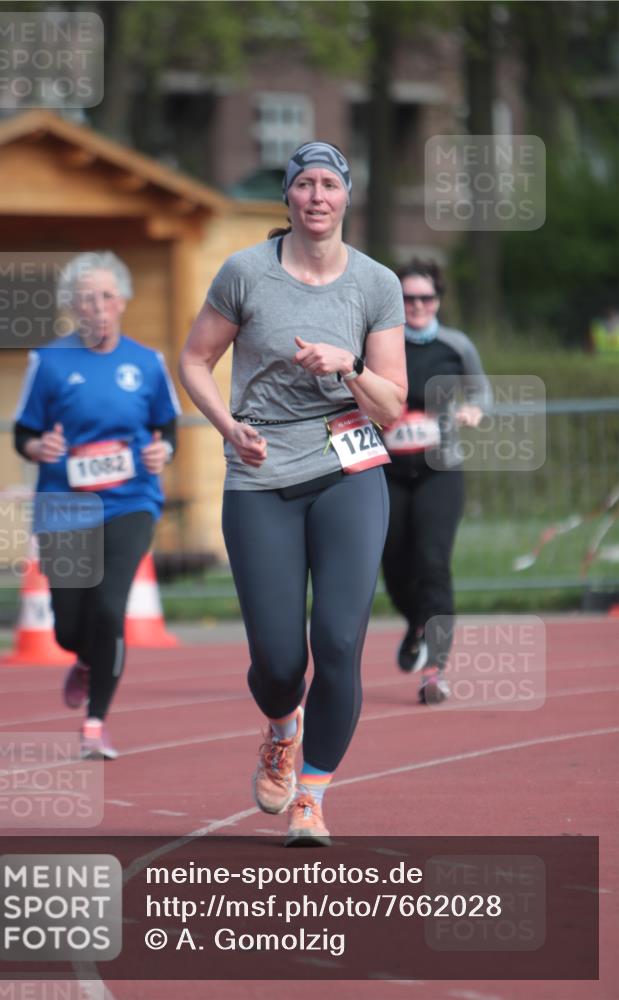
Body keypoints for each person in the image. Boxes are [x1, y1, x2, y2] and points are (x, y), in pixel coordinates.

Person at [178, 141, 406, 845]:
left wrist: (348, 367)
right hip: (261, 475)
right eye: (303, 184)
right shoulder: (245, 272)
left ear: (345, 196)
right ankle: (281, 726)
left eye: (328, 185)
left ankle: (311, 796)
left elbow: (392, 407)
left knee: (337, 641)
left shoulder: (375, 284)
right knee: (279, 663)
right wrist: (227, 426)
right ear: (287, 197)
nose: (315, 196)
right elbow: (193, 360)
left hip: (348, 469)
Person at [13, 251, 180, 758]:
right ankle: (84, 659)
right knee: (68, 625)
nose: (98, 306)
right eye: (86, 298)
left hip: (131, 502)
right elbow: (24, 432)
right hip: (64, 503)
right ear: (73, 307)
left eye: (106, 296)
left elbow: (166, 426)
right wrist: (38, 448)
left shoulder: (147, 362)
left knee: (109, 608)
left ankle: (95, 723)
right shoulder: (48, 362)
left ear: (122, 302)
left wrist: (163, 449)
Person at [381, 259, 491, 705]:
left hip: (439, 470)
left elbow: (481, 390)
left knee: (433, 562)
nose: (417, 306)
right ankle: (416, 623)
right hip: (387, 471)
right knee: (393, 565)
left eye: (426, 298)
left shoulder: (455, 345)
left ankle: (435, 669)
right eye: (408, 298)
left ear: (438, 301)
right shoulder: (380, 345)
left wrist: (474, 410)